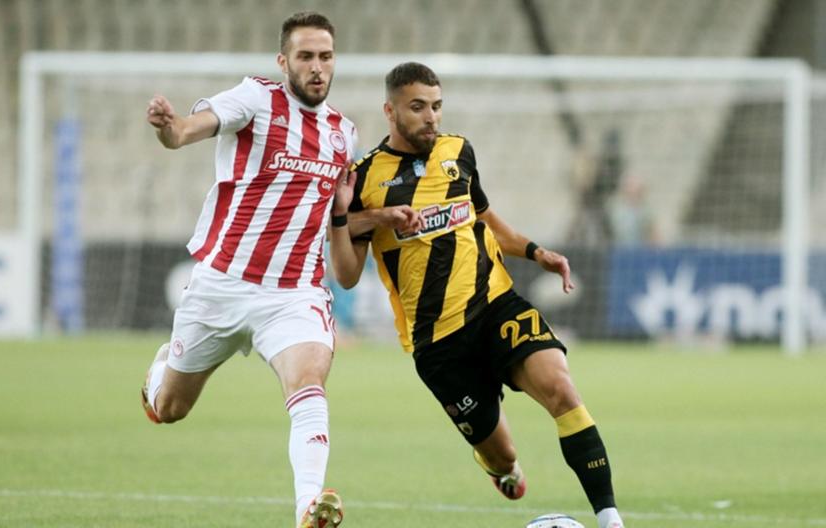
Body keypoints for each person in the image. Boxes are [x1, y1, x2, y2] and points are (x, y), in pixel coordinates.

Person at [328, 62, 626, 528]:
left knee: (562, 390)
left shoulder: (458, 151)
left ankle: (610, 519)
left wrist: (536, 251)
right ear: (390, 111)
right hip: (438, 342)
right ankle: (498, 467)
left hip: (495, 305)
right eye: (418, 107)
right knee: (503, 455)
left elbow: (484, 218)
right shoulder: (364, 177)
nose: (431, 116)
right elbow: (347, 275)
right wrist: (348, 217)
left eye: (436, 106)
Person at [140, 12, 398, 528]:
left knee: (308, 380)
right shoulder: (255, 99)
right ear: (284, 61)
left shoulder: (343, 135)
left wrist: (378, 217)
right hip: (222, 284)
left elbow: (329, 217)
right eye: (305, 56)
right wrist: (172, 128)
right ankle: (160, 372)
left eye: (326, 56)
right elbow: (189, 130)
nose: (317, 66)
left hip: (294, 292)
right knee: (170, 408)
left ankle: (309, 506)